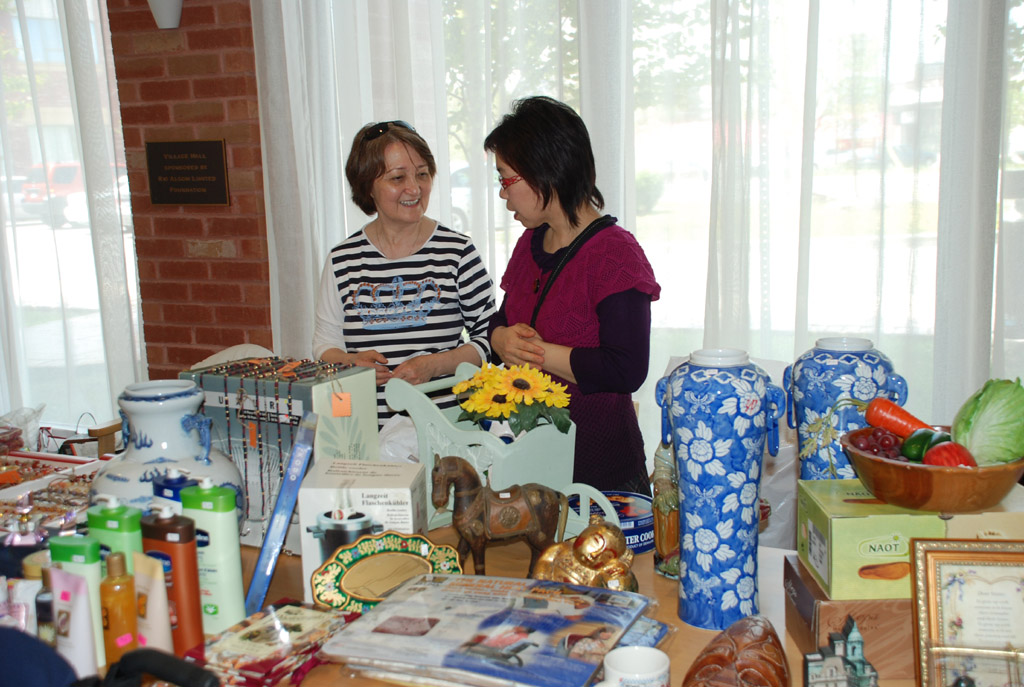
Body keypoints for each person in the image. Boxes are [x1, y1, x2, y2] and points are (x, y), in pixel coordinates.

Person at [484, 97, 660, 494]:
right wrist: (501, 339)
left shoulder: (615, 254)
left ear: (543, 172)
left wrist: (535, 353)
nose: (503, 195)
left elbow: (626, 368)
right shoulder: (531, 243)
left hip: (602, 474)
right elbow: (502, 320)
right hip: (532, 468)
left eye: (505, 179)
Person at [314, 120, 496, 423]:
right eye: (398, 178)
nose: (414, 189)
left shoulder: (457, 252)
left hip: (445, 431)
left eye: (422, 174)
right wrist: (350, 362)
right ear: (367, 186)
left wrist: (435, 365)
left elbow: (491, 338)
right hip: (364, 431)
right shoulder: (341, 260)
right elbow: (324, 344)